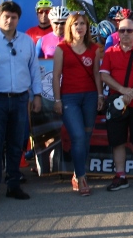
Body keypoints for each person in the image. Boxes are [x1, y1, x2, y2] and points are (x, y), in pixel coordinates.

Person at [0, 1, 43, 205]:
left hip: (20, 99)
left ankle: (13, 185)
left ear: (18, 19)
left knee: (16, 144)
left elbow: (34, 70)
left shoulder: (26, 42)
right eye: (6, 16)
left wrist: (37, 95)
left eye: (14, 17)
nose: (9, 20)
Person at [52, 11, 103, 196]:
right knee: (78, 136)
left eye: (83, 24)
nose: (80, 27)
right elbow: (56, 76)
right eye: (76, 24)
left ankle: (77, 172)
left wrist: (99, 95)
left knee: (86, 137)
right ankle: (82, 178)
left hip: (90, 96)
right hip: (69, 98)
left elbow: (97, 74)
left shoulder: (94, 48)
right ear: (70, 27)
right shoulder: (62, 48)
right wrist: (57, 100)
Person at [100, 18, 133, 191]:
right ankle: (120, 176)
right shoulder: (109, 53)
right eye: (122, 30)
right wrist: (123, 90)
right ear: (117, 33)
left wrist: (132, 93)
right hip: (117, 103)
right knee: (118, 141)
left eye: (129, 31)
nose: (125, 34)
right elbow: (104, 76)